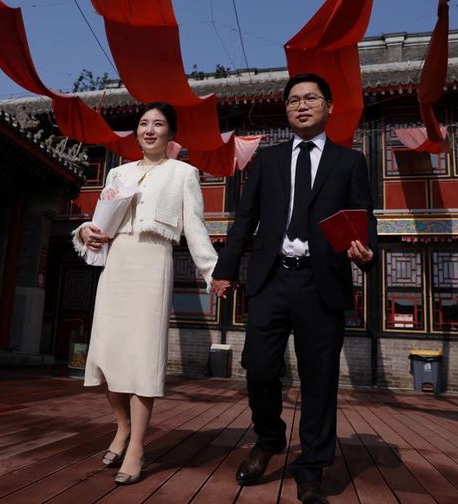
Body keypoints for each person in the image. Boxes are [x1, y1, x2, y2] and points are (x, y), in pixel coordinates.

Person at [210, 73, 378, 504]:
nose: (301, 106)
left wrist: (367, 252)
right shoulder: (266, 160)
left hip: (322, 281)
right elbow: (244, 219)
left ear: (329, 107)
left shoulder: (349, 162)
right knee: (259, 366)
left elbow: (364, 216)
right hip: (272, 278)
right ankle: (269, 439)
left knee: (319, 379)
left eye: (311, 98)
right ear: (285, 109)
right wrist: (224, 269)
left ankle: (311, 468)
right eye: (293, 100)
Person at [72, 102, 218, 485]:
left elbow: (195, 228)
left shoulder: (184, 173)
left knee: (141, 357)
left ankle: (136, 445)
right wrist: (86, 229)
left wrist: (214, 272)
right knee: (105, 356)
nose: (149, 130)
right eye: (143, 124)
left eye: (158, 124)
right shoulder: (118, 172)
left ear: (171, 133)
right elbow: (102, 219)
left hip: (153, 262)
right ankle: (121, 426)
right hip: (117, 261)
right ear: (136, 132)